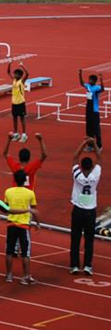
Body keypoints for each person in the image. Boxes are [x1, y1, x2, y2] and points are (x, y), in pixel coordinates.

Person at [71, 137, 101, 276]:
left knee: (75, 238)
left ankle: (75, 265)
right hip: (90, 211)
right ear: (92, 167)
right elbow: (99, 159)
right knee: (89, 240)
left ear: (82, 167)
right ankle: (88, 265)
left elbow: (75, 157)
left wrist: (83, 143)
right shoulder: (95, 175)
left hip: (78, 209)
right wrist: (94, 144)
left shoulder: (78, 175)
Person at [4, 169, 39, 284]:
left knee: (9, 251)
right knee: (25, 253)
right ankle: (26, 276)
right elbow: (34, 210)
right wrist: (38, 223)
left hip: (11, 224)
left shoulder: (8, 191)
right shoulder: (30, 193)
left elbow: (6, 207)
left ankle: (9, 275)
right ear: (25, 180)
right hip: (24, 225)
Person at [79, 70, 104, 150]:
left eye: (91, 80)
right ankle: (90, 145)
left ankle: (99, 146)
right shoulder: (88, 86)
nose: (89, 81)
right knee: (89, 129)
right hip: (88, 110)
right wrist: (80, 74)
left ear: (94, 81)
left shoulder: (97, 88)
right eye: (89, 79)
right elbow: (82, 83)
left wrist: (101, 80)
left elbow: (102, 89)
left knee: (96, 129)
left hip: (94, 111)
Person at [7, 62, 29, 142]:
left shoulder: (21, 81)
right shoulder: (14, 80)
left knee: (22, 118)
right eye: (15, 74)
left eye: (16, 74)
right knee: (14, 118)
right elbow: (8, 72)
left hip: (21, 103)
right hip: (14, 103)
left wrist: (22, 66)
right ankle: (16, 134)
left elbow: (27, 74)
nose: (15, 75)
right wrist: (9, 64)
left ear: (20, 76)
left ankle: (24, 135)